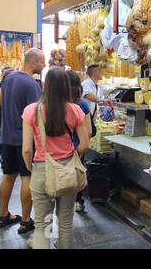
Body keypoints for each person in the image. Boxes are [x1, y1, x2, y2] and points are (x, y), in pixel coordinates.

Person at [22, 68, 89, 249]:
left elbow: (27, 149)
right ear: (66, 87)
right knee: (66, 222)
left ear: (46, 86)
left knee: (42, 224)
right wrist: (75, 156)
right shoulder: (75, 110)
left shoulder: (31, 110)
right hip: (67, 169)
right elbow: (84, 143)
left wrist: (31, 166)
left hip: (42, 169)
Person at [0, 49, 45, 234]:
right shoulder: (32, 85)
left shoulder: (8, 77)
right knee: (27, 177)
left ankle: (3, 215)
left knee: (8, 175)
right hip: (24, 139)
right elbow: (38, 115)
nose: (44, 65)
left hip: (6, 137)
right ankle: (25, 221)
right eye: (42, 62)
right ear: (33, 63)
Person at [66, 70, 92, 212]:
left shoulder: (55, 104)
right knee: (78, 176)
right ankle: (78, 201)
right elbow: (88, 131)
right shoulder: (81, 104)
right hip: (77, 148)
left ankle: (63, 201)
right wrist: (81, 150)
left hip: (60, 150)